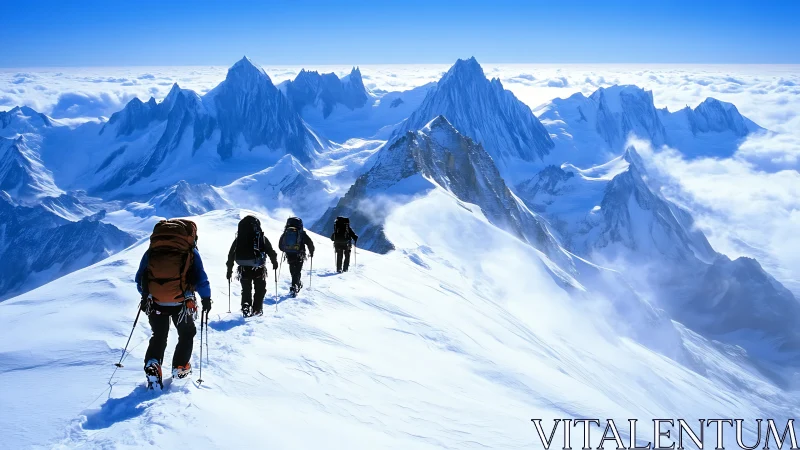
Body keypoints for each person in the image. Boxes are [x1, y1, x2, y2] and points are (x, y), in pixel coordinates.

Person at [135, 219, 211, 388]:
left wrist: (149, 296)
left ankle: (153, 364)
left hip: (155, 303)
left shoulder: (151, 251)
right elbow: (201, 279)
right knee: (186, 333)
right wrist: (206, 299)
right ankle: (180, 367)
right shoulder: (190, 252)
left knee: (159, 335)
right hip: (182, 303)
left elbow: (139, 278)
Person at [226, 215, 279, 317]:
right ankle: (257, 310)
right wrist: (274, 262)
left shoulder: (239, 239)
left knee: (246, 289)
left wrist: (229, 270)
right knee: (260, 289)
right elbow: (270, 251)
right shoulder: (261, 238)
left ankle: (246, 305)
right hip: (258, 268)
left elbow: (231, 254)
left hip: (243, 267)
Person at [278, 216, 315, 296]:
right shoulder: (302, 233)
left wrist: (286, 249)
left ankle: (295, 284)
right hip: (299, 254)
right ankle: (295, 286)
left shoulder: (286, 232)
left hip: (289, 254)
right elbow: (309, 243)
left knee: (292, 269)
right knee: (297, 270)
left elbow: (280, 245)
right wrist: (311, 252)